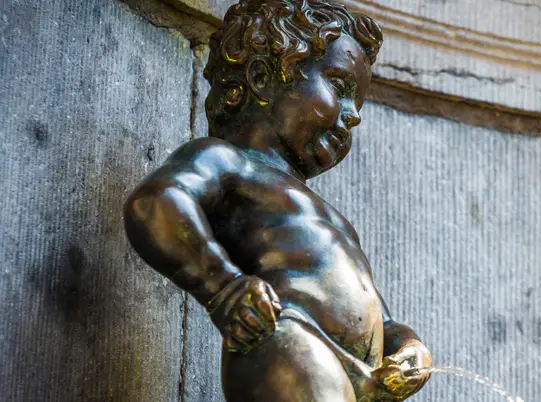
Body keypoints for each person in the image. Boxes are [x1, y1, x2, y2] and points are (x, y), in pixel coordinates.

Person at [123, 1, 432, 400]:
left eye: (357, 104)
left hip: (359, 375)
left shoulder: (333, 220)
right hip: (286, 338)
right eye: (339, 88)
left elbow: (382, 318)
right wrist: (223, 287)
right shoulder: (228, 161)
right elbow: (157, 202)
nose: (353, 116)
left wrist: (409, 348)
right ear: (262, 77)